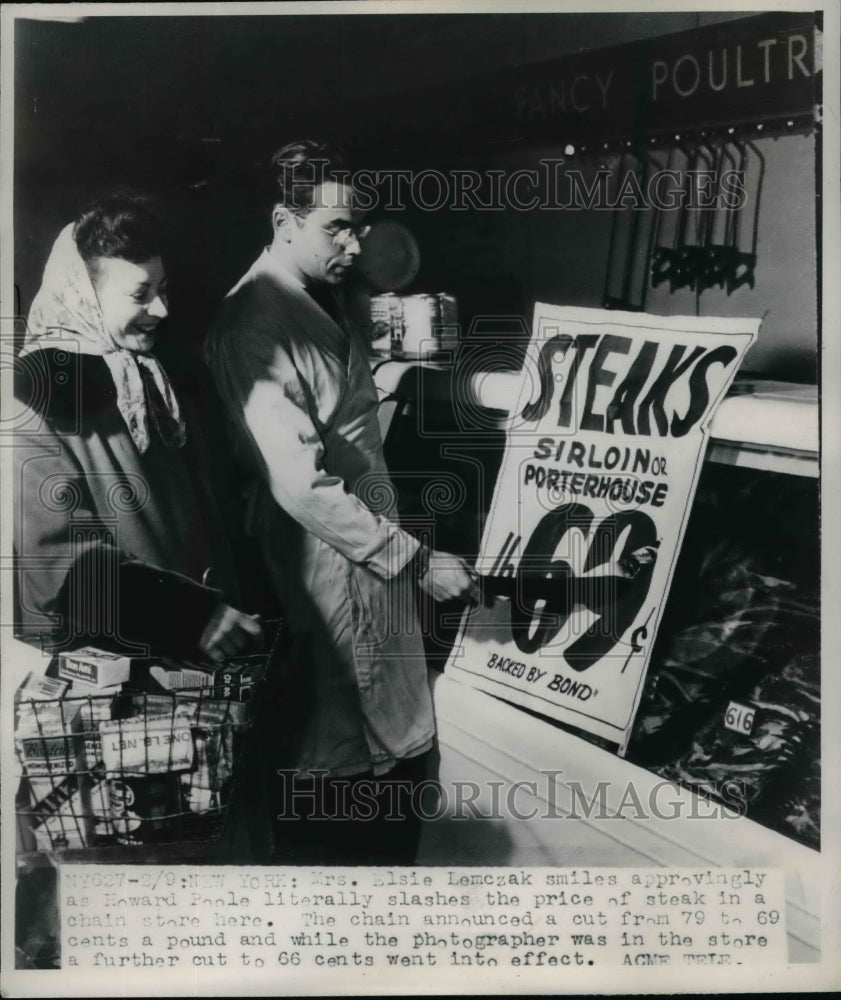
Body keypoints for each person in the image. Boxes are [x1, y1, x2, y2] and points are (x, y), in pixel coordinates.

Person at [205, 140, 479, 864]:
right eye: (338, 228)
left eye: (360, 227)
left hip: (364, 555)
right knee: (341, 766)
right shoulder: (254, 323)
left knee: (375, 752)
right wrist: (414, 561)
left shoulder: (314, 298)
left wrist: (378, 382)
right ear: (282, 219)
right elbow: (299, 482)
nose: (355, 246)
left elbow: (335, 416)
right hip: (333, 564)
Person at [14, 192, 264, 662]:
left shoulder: (159, 376)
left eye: (162, 289)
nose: (162, 310)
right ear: (82, 297)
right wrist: (189, 615)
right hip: (113, 672)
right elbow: (56, 566)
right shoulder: (33, 401)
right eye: (139, 295)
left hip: (197, 661)